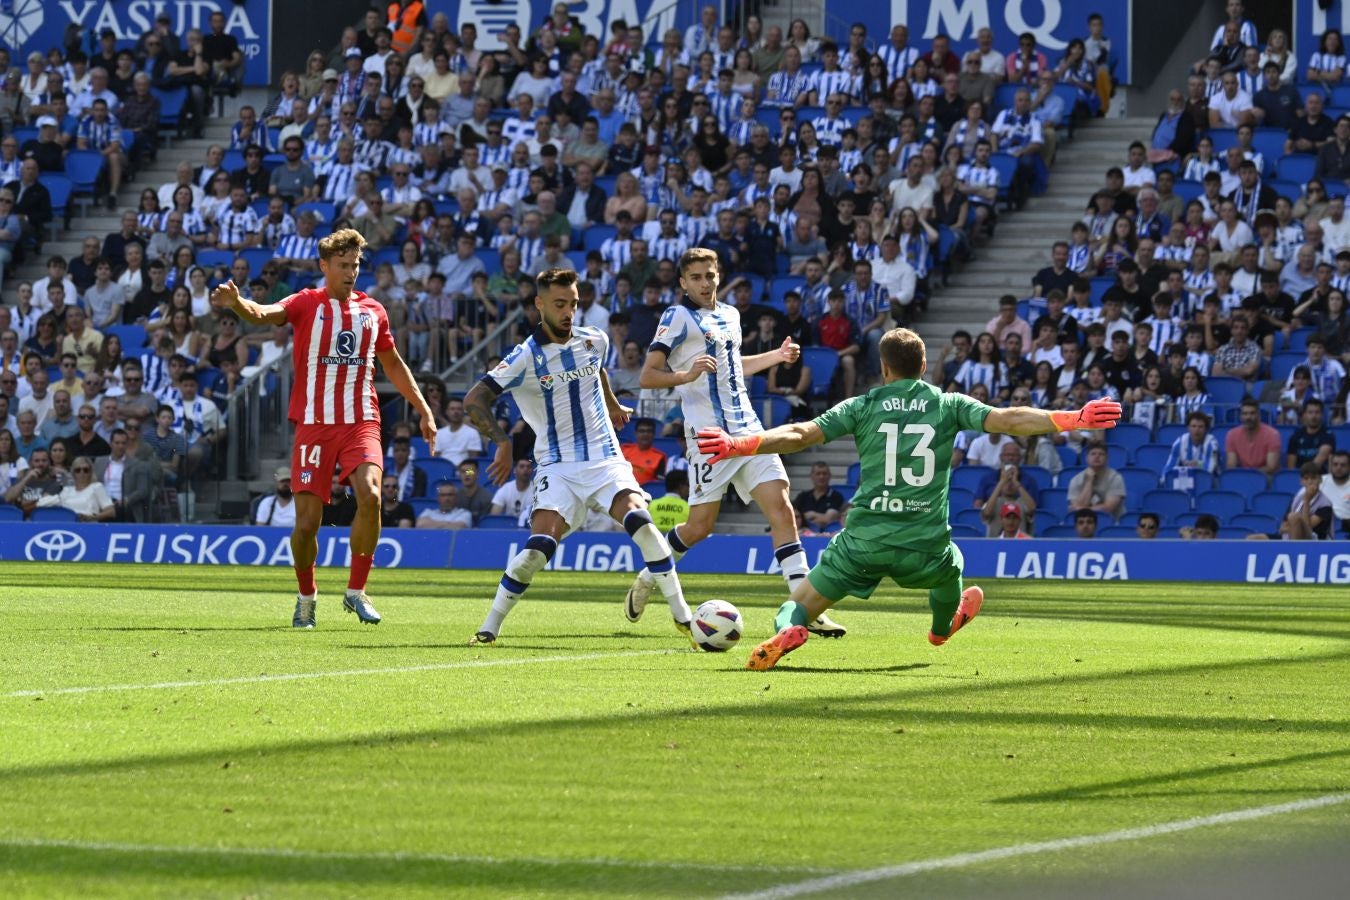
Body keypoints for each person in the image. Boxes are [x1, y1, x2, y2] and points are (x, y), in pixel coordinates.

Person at [696, 328, 1122, 669]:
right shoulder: (947, 404)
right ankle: (940, 630)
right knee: (952, 568)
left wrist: (739, 444)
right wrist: (1072, 418)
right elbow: (1009, 419)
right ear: (922, 365)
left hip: (863, 542)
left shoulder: (861, 405)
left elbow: (799, 434)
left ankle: (787, 632)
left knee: (796, 606)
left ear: (883, 369)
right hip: (924, 544)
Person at [209, 228, 438, 629]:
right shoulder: (306, 303)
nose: (351, 272)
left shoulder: (373, 311)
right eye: (343, 265)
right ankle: (306, 597)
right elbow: (263, 314)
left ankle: (356, 591)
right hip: (314, 426)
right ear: (324, 266)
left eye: (355, 265)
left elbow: (394, 364)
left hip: (360, 420)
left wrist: (423, 409)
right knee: (306, 525)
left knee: (371, 495)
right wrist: (237, 303)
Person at [460, 268, 692, 644]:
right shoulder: (525, 357)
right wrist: (502, 443)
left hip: (604, 459)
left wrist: (612, 403)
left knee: (643, 525)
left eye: (574, 303)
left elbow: (596, 370)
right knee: (536, 552)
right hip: (558, 467)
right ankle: (489, 627)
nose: (568, 312)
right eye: (559, 304)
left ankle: (685, 619)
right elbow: (474, 399)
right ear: (540, 304)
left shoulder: (594, 338)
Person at [625, 248, 846, 638]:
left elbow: (731, 367)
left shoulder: (730, 314)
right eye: (695, 277)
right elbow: (648, 375)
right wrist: (685, 375)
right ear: (683, 282)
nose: (704, 283)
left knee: (783, 510)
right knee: (699, 527)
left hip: (748, 430)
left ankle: (806, 608)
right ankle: (647, 577)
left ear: (718, 275)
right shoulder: (676, 317)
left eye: (709, 275)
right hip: (709, 439)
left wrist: (777, 356)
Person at [37, 455, 115, 520]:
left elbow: (111, 512)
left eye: (86, 470)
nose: (82, 472)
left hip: (89, 525)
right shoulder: (67, 490)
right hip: (69, 526)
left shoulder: (96, 487)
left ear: (91, 472)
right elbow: (49, 502)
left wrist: (92, 517)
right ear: (73, 473)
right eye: (78, 470)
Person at [1225, 397, 1281, 476]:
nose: (1248, 417)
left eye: (1252, 413)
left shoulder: (1272, 434)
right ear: (1240, 416)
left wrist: (1251, 476)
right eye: (1245, 414)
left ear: (1259, 415)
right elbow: (1231, 466)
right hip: (1242, 477)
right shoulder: (1232, 434)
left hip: (1265, 477)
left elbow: (1271, 467)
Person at [793, 460, 845, 531]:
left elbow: (828, 519)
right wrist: (821, 517)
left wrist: (811, 515)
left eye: (824, 474)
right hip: (804, 533)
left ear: (829, 476)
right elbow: (794, 516)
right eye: (818, 474)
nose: (821, 476)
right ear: (811, 476)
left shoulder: (836, 496)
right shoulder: (802, 496)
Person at [620, 416, 666, 483]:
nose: (645, 434)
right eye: (642, 431)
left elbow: (658, 485)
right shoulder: (623, 450)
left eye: (649, 431)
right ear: (636, 434)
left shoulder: (659, 457)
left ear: (653, 435)